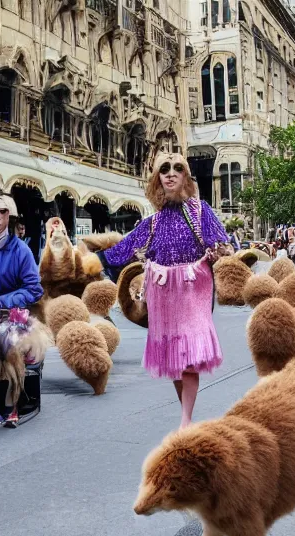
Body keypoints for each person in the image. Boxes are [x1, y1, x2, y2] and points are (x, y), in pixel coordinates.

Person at [97, 153, 229, 429]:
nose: (170, 173)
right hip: (164, 294)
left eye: (177, 169)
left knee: (191, 356)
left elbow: (226, 245)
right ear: (157, 179)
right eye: (164, 169)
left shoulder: (200, 210)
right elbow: (121, 250)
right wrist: (84, 261)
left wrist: (218, 252)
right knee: (176, 358)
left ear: (185, 176)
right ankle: (187, 414)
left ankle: (185, 419)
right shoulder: (153, 222)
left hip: (194, 290)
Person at [0, 194, 44, 429]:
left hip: (13, 314)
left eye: (2, 211)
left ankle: (10, 403)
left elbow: (34, 289)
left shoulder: (21, 251)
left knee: (6, 341)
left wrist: (2, 301)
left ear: (9, 217)